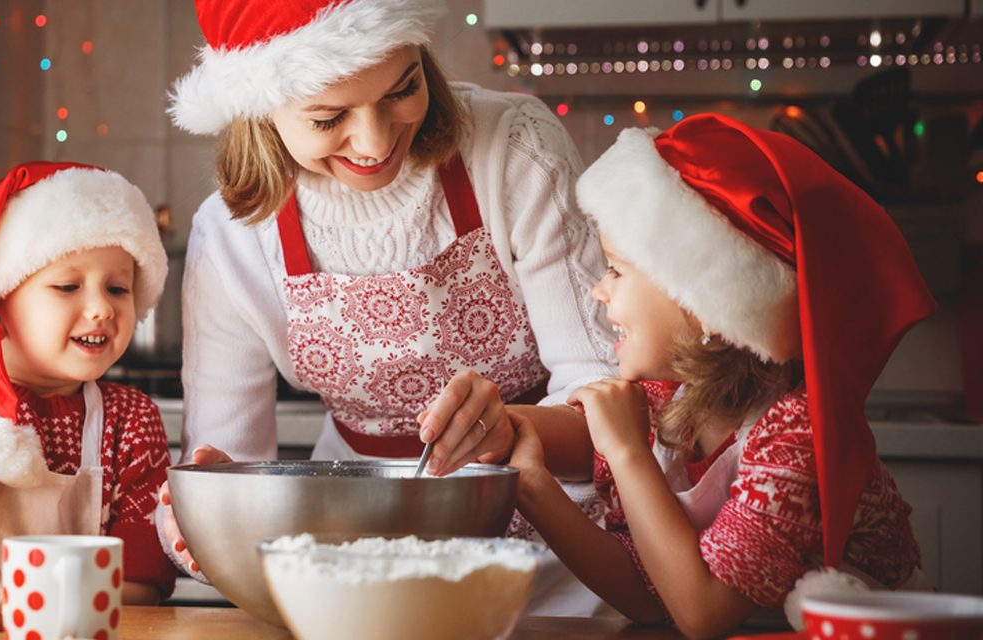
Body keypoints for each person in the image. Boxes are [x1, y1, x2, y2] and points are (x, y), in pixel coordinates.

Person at [159, 0, 616, 615]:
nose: (375, 141)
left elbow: (610, 398)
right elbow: (227, 460)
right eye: (328, 118)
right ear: (260, 111)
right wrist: (202, 508)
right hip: (354, 566)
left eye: (403, 89)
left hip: (561, 550)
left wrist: (513, 429)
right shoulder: (234, 235)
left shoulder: (512, 150)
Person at [499, 114, 936, 636]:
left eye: (616, 269)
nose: (600, 290)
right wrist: (532, 485)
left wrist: (628, 454)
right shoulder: (668, 399)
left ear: (706, 304)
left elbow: (701, 615)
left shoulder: (799, 436)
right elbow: (649, 595)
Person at [0, 162, 176, 629]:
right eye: (68, 286)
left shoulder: (131, 416)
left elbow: (144, 576)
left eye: (119, 288)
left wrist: (35, 603)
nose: (102, 307)